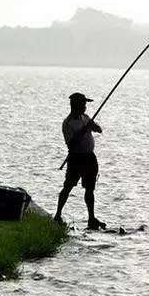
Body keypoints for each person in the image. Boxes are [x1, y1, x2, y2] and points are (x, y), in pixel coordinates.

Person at [54, 92, 104, 229]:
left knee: (90, 189)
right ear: (76, 105)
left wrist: (93, 126)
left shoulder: (86, 118)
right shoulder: (67, 123)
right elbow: (71, 144)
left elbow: (99, 130)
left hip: (90, 158)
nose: (85, 107)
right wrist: (83, 130)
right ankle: (57, 215)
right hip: (76, 159)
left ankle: (91, 218)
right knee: (68, 187)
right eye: (83, 104)